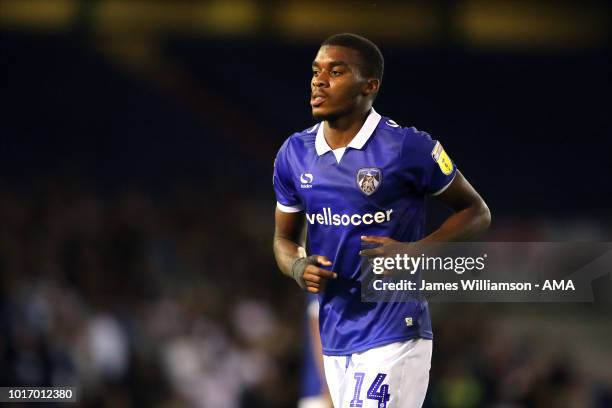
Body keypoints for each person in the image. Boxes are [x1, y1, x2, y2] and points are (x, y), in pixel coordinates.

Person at [272, 33, 490, 408]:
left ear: (369, 86)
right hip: (336, 335)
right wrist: (297, 266)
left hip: (394, 328)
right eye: (316, 71)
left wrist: (414, 252)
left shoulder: (407, 147)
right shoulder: (294, 154)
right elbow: (283, 240)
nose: (319, 80)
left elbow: (476, 212)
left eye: (336, 71)